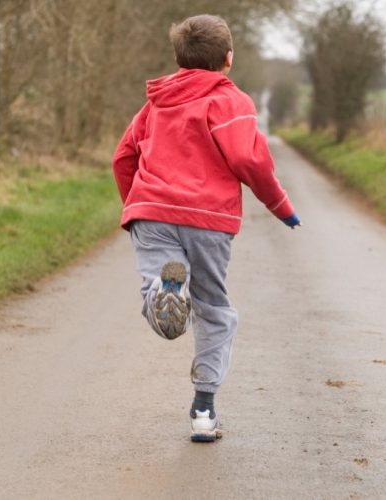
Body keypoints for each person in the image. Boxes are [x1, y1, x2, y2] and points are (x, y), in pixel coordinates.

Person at [112, 14, 301, 443]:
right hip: (209, 221)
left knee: (157, 291)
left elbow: (123, 158)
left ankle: (164, 296)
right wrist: (280, 206)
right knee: (214, 310)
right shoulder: (231, 102)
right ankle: (203, 410)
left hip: (153, 212)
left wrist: (137, 207)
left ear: (179, 58)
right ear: (228, 59)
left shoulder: (155, 104)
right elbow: (250, 161)